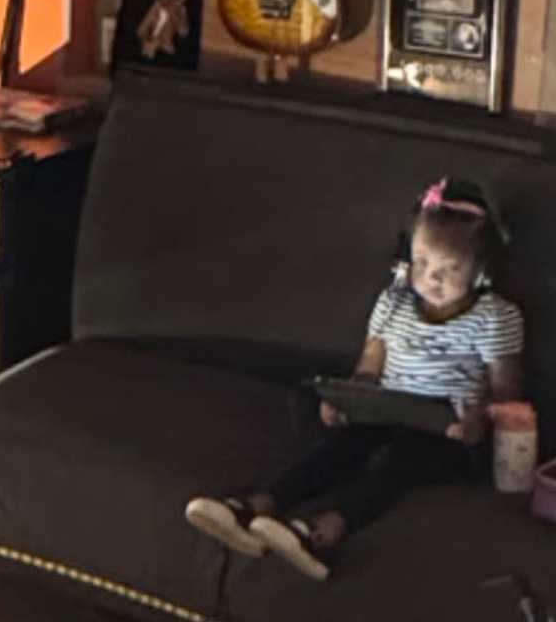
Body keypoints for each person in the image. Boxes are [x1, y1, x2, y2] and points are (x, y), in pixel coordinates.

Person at [185, 177, 520, 580]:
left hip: (449, 434)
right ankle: (254, 507)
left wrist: (477, 424)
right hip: (388, 413)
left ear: (482, 273)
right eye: (422, 263)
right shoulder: (394, 303)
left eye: (450, 270)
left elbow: (507, 393)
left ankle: (322, 532)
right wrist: (348, 399)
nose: (432, 279)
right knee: (342, 445)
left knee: (394, 465)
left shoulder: (494, 318)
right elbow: (369, 365)